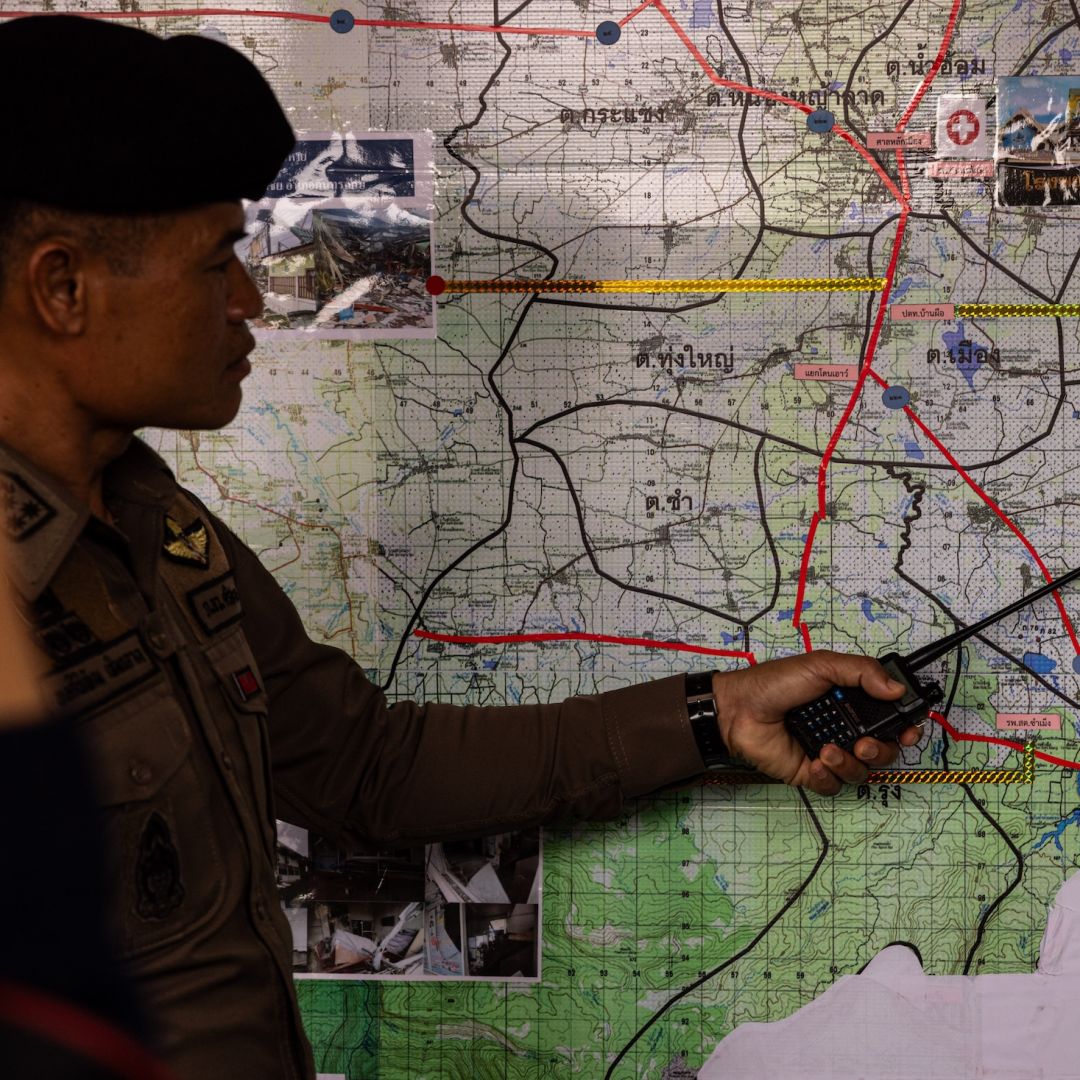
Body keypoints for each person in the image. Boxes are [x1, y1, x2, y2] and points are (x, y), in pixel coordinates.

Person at [0, 15, 919, 1079]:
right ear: (62, 288)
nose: (251, 299)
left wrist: (717, 713)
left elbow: (362, 767)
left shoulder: (159, 531)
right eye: (217, 264)